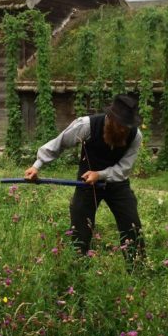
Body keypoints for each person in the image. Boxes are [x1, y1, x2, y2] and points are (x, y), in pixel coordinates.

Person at [24, 94, 145, 262]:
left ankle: (137, 268)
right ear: (110, 118)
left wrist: (100, 174)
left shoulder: (135, 135)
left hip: (117, 183)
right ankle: (79, 265)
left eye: (127, 125)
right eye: (120, 125)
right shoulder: (87, 125)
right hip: (86, 182)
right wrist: (36, 166)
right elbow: (59, 143)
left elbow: (124, 169)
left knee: (131, 224)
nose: (124, 129)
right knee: (80, 224)